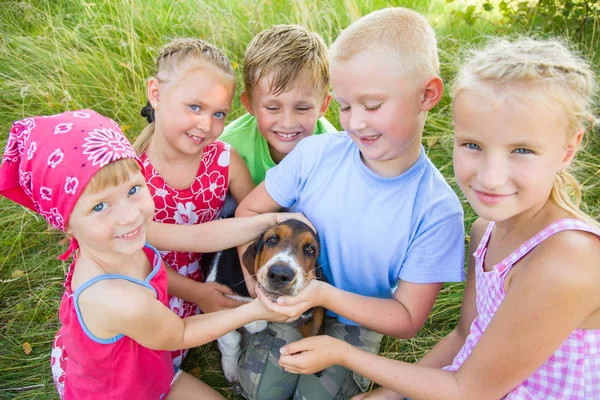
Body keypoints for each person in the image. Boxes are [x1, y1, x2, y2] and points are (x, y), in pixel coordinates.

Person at [276, 38, 600, 400]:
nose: (490, 177)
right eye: (473, 145)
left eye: (522, 150)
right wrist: (388, 394)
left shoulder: (568, 260)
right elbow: (464, 335)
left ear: (568, 149)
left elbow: (468, 390)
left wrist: (343, 353)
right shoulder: (485, 230)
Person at [235, 8, 465, 399]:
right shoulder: (314, 153)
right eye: (344, 106)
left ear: (427, 95)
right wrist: (258, 289)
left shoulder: (437, 210)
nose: (355, 122)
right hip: (285, 296)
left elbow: (407, 318)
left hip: (356, 319)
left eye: (372, 105)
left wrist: (323, 296)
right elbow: (250, 212)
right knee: (262, 394)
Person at [0, 110, 306, 399]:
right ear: (66, 224)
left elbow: (198, 236)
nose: (128, 216)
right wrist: (255, 311)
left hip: (147, 363)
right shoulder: (117, 298)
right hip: (120, 390)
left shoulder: (121, 239)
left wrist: (272, 221)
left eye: (133, 190)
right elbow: (181, 333)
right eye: (98, 206)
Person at [134, 38, 255, 367]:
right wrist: (195, 293)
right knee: (145, 357)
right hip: (150, 281)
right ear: (156, 94)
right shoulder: (133, 175)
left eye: (218, 114)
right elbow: (133, 256)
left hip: (210, 276)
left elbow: (256, 214)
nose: (207, 124)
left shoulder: (225, 161)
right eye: (195, 107)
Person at [219, 24, 335, 186]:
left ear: (323, 105)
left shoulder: (332, 149)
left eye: (302, 108)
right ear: (249, 103)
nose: (287, 123)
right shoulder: (228, 146)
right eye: (273, 108)